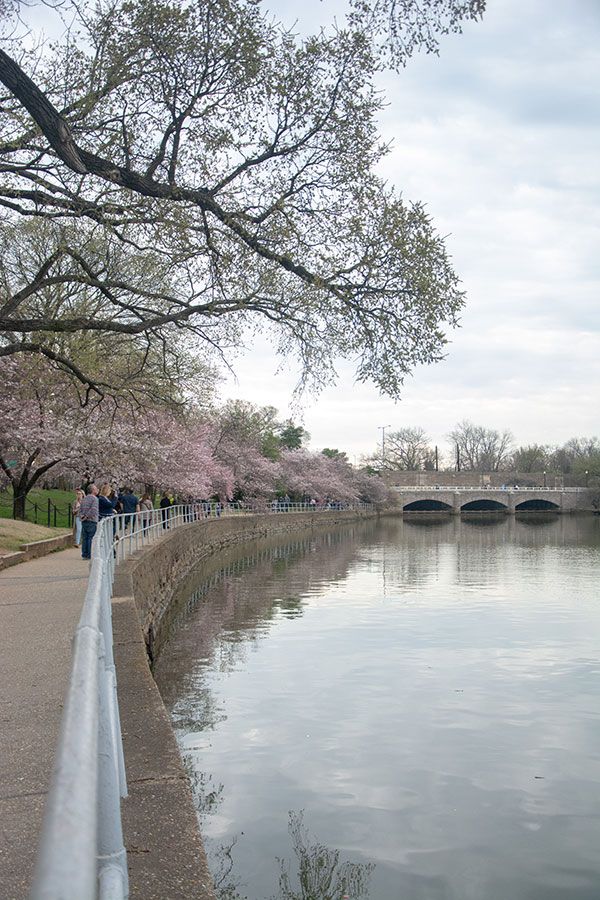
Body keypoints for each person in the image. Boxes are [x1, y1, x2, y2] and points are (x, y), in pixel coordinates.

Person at [79, 484, 99, 560]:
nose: (97, 490)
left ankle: (84, 554)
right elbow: (93, 510)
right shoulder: (95, 499)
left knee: (85, 538)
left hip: (84, 521)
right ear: (93, 490)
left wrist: (82, 516)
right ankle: (89, 554)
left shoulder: (84, 499)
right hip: (91, 520)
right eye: (96, 489)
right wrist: (87, 516)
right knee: (90, 538)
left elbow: (80, 510)